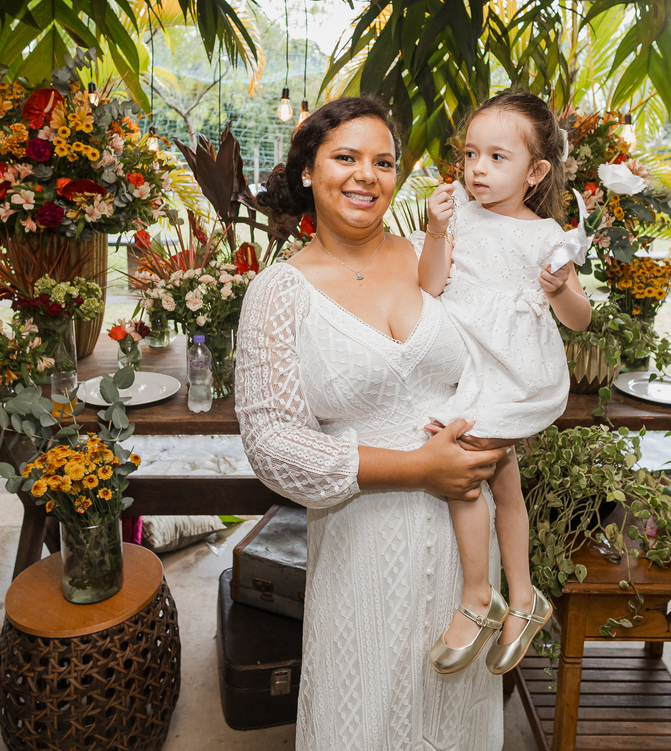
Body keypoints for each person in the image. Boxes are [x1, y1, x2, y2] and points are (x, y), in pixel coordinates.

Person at [236, 96, 511, 750]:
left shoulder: (433, 257)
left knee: (453, 715)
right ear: (307, 170)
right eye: (346, 157)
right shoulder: (279, 292)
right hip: (363, 543)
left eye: (383, 161)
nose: (366, 175)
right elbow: (271, 441)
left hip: (463, 544)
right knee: (363, 710)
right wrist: (419, 466)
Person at [419, 91, 592, 676]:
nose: (477, 169)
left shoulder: (546, 234)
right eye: (471, 154)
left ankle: (478, 597)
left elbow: (580, 318)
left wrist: (559, 287)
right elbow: (430, 286)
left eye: (497, 157)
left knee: (463, 471)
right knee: (507, 487)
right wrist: (436, 233)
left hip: (514, 374)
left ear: (536, 171)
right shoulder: (458, 217)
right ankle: (523, 599)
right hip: (468, 367)